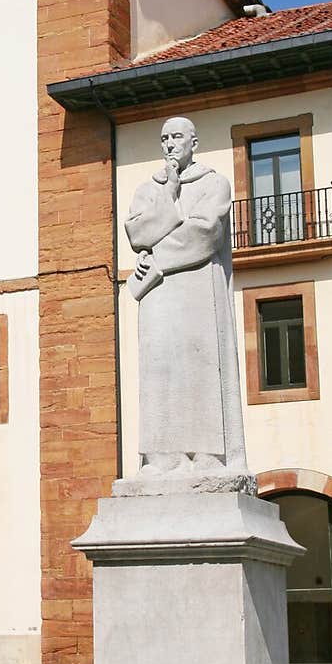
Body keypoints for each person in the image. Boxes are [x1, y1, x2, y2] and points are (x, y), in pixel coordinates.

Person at [125, 116, 247, 475]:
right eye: (164, 138)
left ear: (194, 142)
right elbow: (136, 232)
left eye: (177, 136)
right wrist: (170, 197)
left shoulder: (215, 184)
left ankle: (208, 456)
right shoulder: (149, 189)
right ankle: (161, 458)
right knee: (159, 371)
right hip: (159, 298)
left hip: (196, 295)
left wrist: (154, 260)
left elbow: (205, 233)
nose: (169, 144)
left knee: (200, 369)